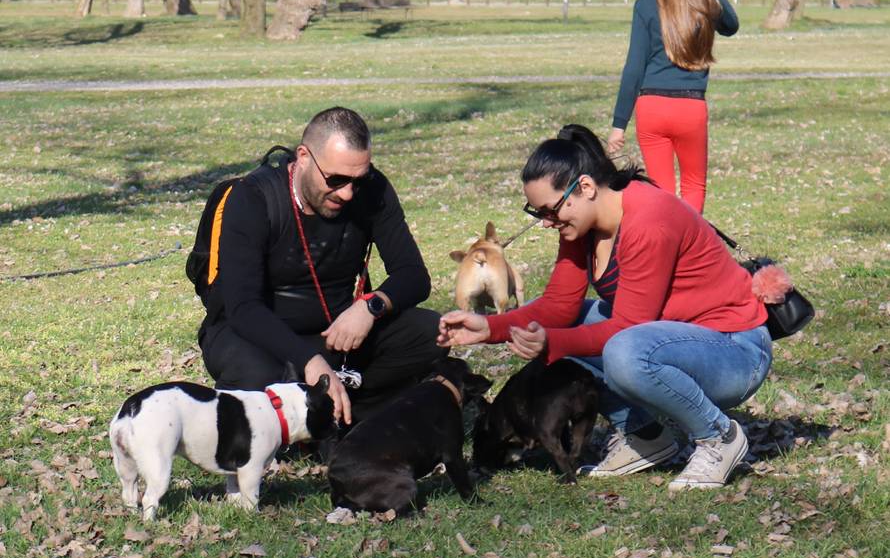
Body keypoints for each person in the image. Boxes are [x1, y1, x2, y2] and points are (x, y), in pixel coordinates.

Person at [438, 124, 772, 491]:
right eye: (538, 214)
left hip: (734, 351)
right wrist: (490, 328)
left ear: (584, 187)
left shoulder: (648, 220)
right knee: (555, 319)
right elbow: (558, 305)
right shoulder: (581, 224)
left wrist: (551, 343)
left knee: (624, 350)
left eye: (550, 210)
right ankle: (644, 436)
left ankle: (718, 437)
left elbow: (628, 325)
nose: (548, 223)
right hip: (671, 338)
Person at [198, 106, 444, 426]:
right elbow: (243, 308)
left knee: (432, 333)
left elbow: (413, 276)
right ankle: (283, 421)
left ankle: (346, 417)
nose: (347, 192)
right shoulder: (253, 198)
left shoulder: (372, 191)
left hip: (337, 334)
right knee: (258, 372)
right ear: (303, 157)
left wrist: (370, 307)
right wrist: (308, 359)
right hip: (258, 337)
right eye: (336, 179)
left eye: (358, 179)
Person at [607, 0, 739, 213]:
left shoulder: (645, 6)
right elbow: (731, 25)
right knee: (693, 185)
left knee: (660, 191)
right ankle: (689, 247)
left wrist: (619, 125)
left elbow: (634, 67)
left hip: (651, 108)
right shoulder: (706, 2)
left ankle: (664, 249)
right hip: (690, 108)